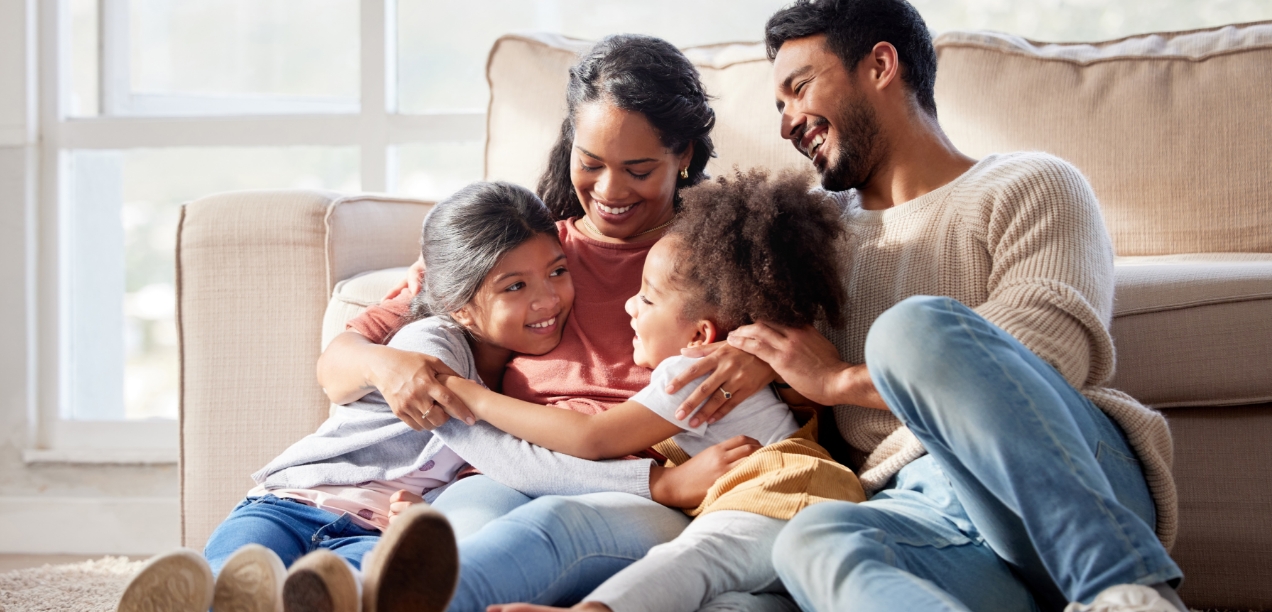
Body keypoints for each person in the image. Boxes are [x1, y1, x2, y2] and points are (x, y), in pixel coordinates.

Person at [666, 1, 1186, 611]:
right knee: (811, 539)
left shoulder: (1029, 183)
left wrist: (841, 380)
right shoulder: (809, 232)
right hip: (921, 510)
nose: (786, 125)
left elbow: (1049, 350)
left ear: (881, 65)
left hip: (1065, 476)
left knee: (910, 329)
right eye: (777, 107)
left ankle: (1125, 590)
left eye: (799, 89)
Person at [318, 34, 786, 611]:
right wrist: (390, 367)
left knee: (552, 528)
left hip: (641, 489)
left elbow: (800, 355)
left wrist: (761, 357)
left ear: (683, 154)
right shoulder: (526, 252)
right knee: (458, 536)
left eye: (638, 169)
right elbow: (338, 366)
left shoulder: (715, 258)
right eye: (590, 164)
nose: (609, 192)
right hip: (508, 467)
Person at [118, 181, 593, 612]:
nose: (548, 299)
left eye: (556, 272)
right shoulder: (431, 339)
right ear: (458, 304)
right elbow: (489, 445)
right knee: (238, 574)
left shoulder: (539, 380)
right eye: (516, 286)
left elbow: (486, 479)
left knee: (350, 590)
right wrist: (645, 482)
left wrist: (429, 511)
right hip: (291, 503)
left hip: (379, 529)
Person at [427, 169, 867, 612]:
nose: (628, 305)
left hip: (786, 492)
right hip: (764, 505)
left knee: (693, 561)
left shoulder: (691, 372)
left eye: (648, 299)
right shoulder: (707, 361)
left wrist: (477, 398)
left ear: (700, 335)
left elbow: (590, 436)